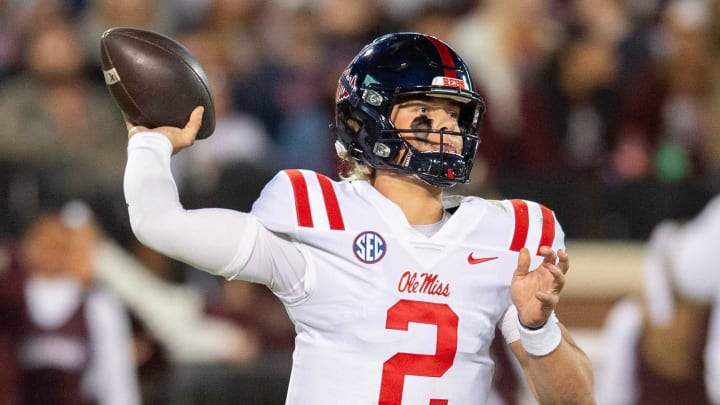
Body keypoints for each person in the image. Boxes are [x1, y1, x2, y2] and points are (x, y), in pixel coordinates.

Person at [121, 32, 594, 404]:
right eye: (424, 111)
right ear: (368, 119)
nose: (446, 128)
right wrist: (150, 141)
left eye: (454, 115)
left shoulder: (508, 235)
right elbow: (157, 222)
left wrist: (538, 328)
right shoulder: (315, 216)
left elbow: (574, 401)